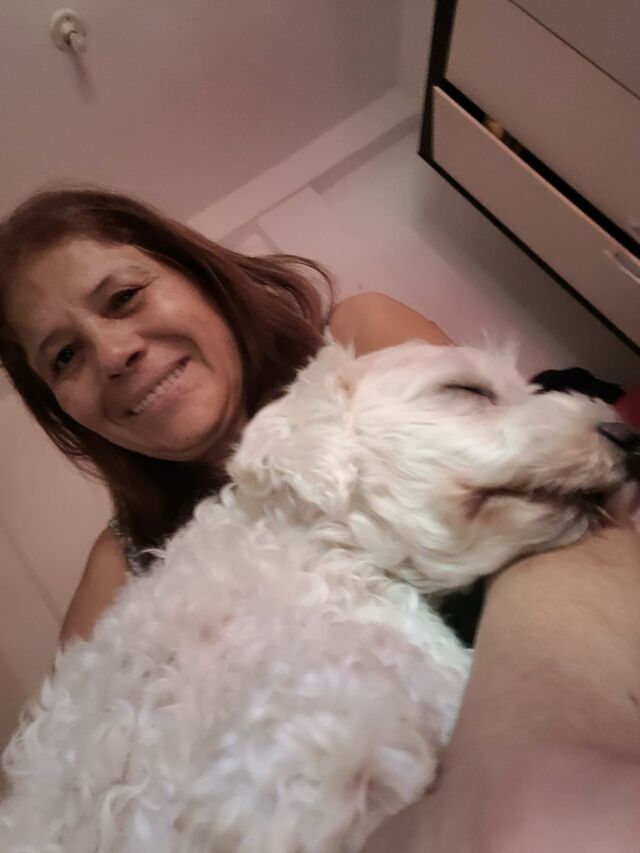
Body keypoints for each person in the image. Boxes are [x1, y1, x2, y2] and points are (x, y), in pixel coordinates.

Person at [1, 187, 638, 850]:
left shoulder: (360, 340)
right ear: (60, 406)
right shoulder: (118, 566)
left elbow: (554, 494)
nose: (112, 353)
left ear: (196, 274)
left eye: (124, 297)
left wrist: (530, 762)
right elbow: (48, 790)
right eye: (64, 356)